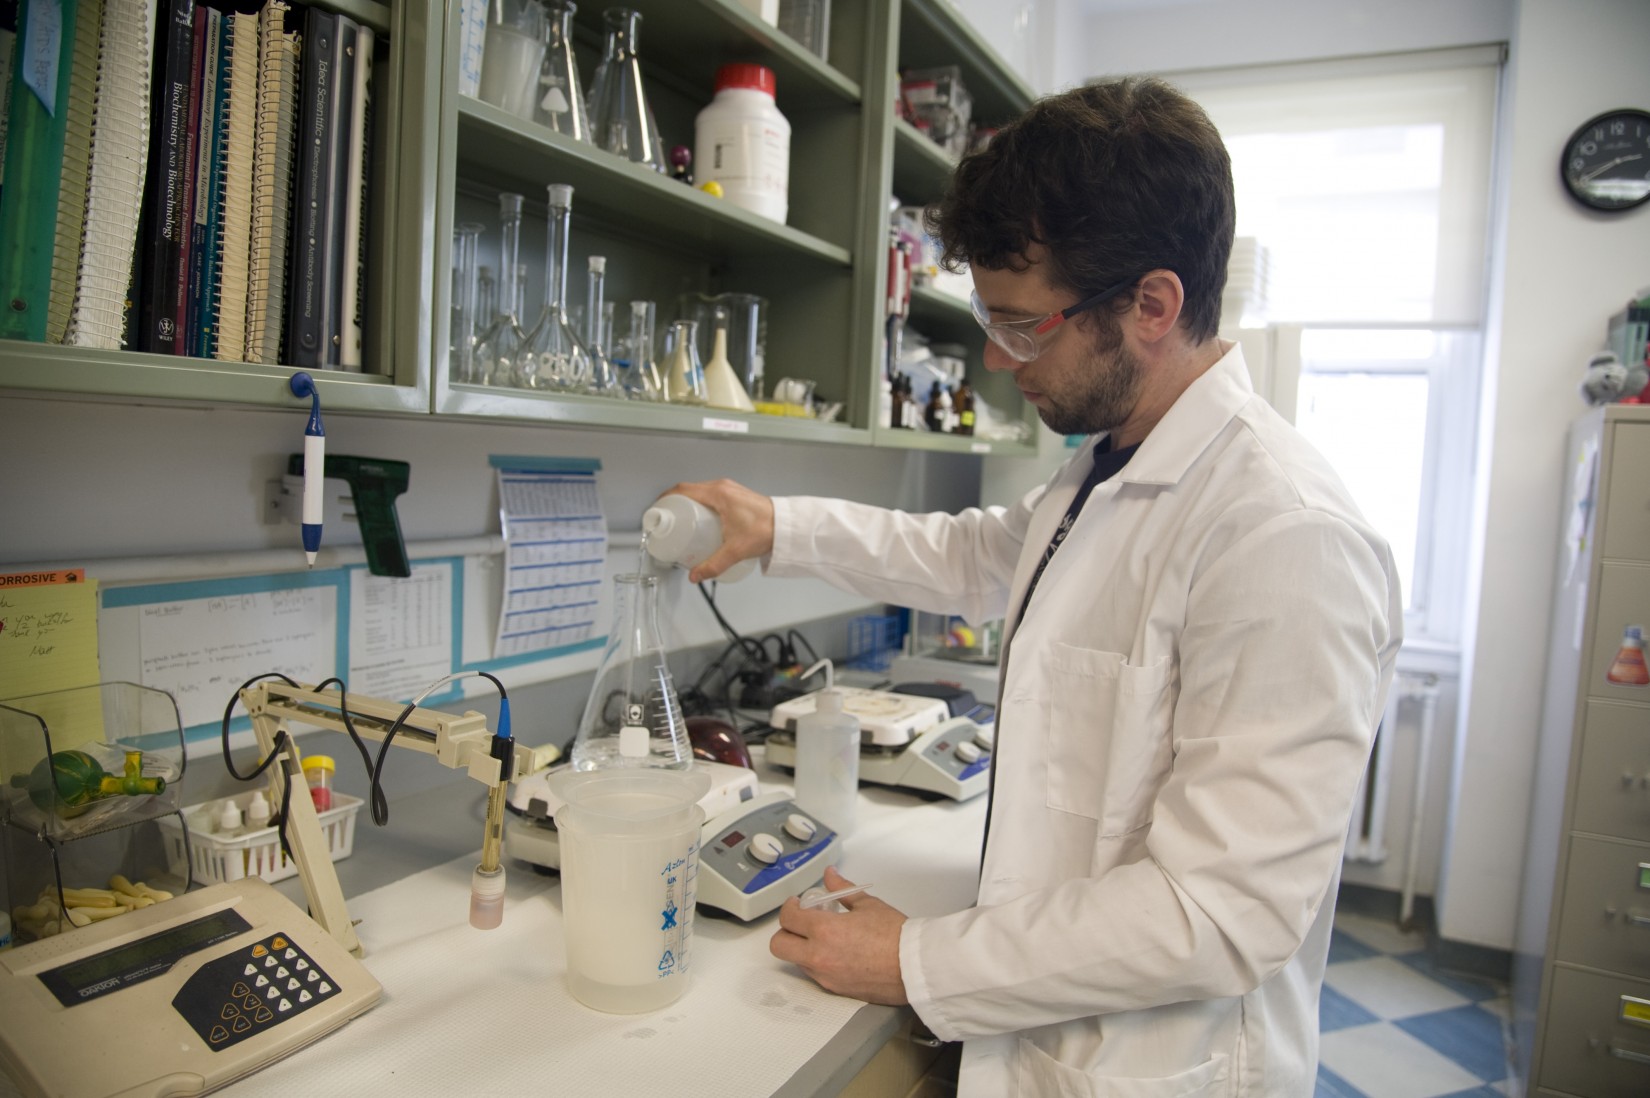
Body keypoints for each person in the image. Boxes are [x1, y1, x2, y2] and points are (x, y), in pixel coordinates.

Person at [664, 76, 1401, 1097]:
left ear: (1153, 304)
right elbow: (972, 559)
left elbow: (1220, 913)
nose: (1003, 361)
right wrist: (776, 526)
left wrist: (918, 962)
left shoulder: (1283, 535)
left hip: (1158, 1065)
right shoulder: (1110, 463)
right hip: (1050, 1023)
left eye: (1025, 327)